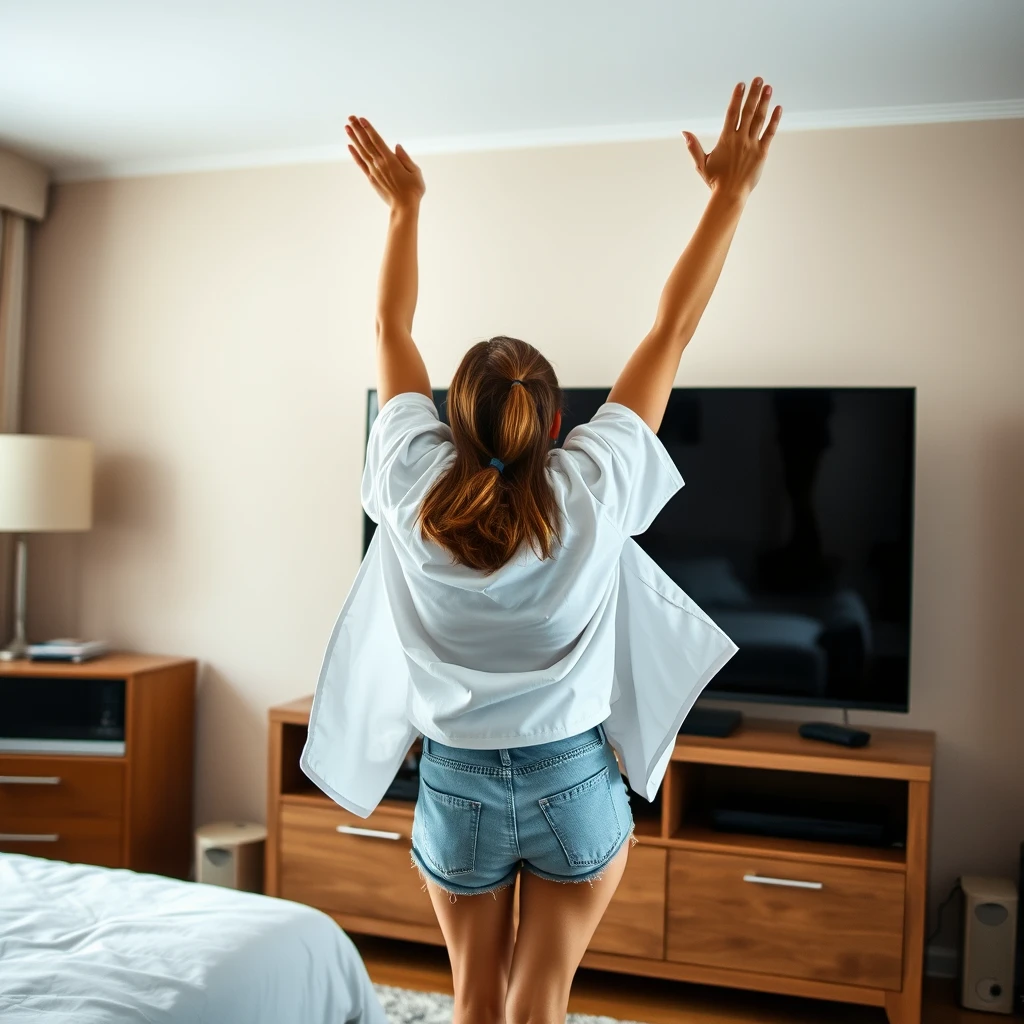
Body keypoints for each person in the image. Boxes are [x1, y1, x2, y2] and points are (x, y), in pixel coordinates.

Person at [323, 79, 781, 1024]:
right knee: (543, 1002)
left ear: (447, 420)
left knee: (474, 1004)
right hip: (572, 782)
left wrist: (405, 209)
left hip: (453, 780)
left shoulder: (408, 480)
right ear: (556, 421)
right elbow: (673, 330)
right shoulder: (594, 488)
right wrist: (728, 196)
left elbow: (389, 331)